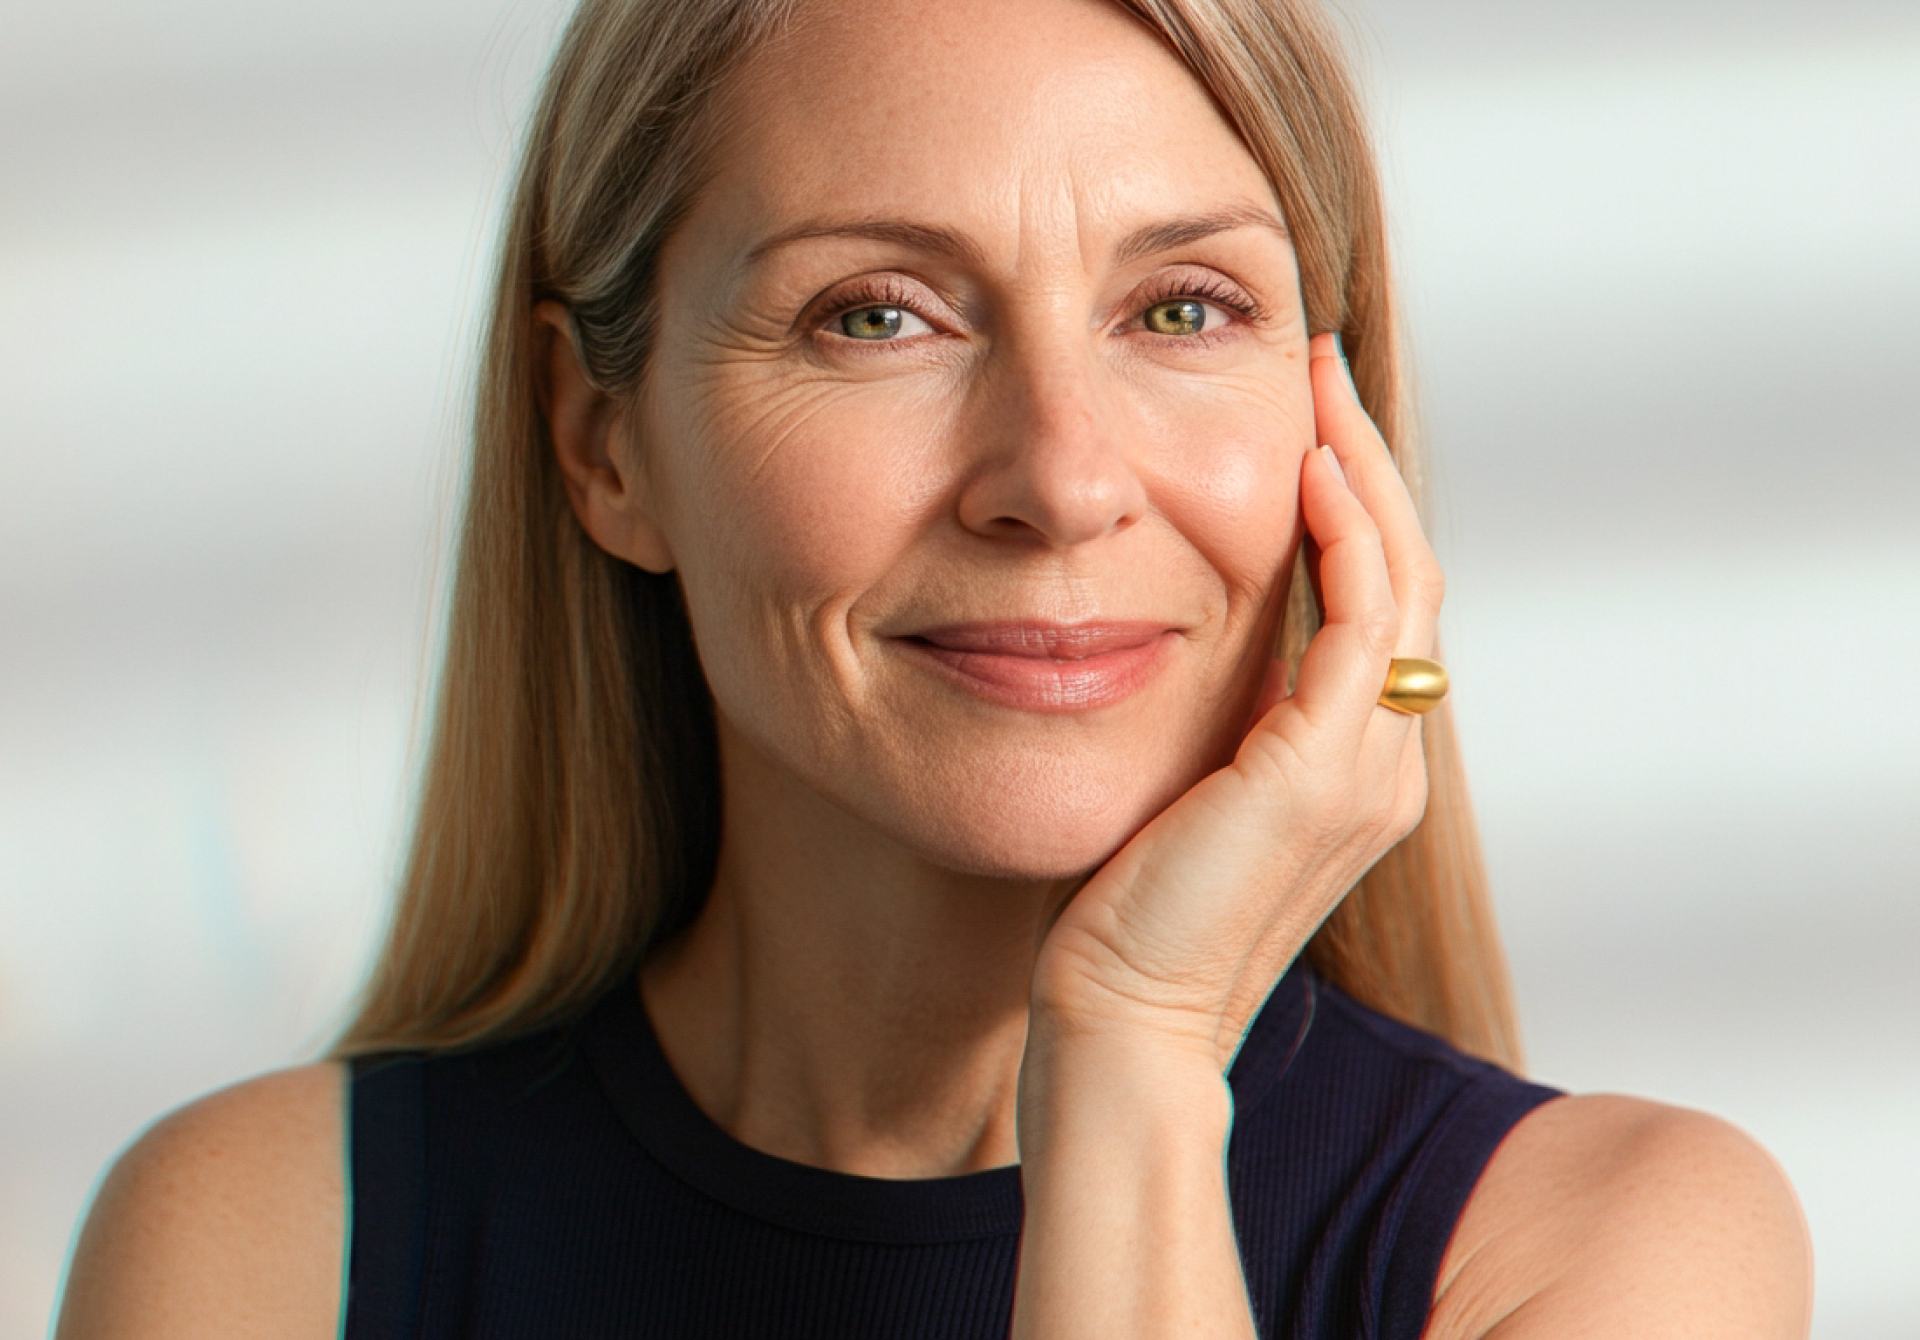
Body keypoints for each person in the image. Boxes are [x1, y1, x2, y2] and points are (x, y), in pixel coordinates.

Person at [54, 0, 1815, 1334]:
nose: (1060, 477)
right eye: (875, 314)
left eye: (1182, 309)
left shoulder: (1605, 1249)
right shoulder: (264, 1246)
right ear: (603, 446)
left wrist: (1134, 1054)